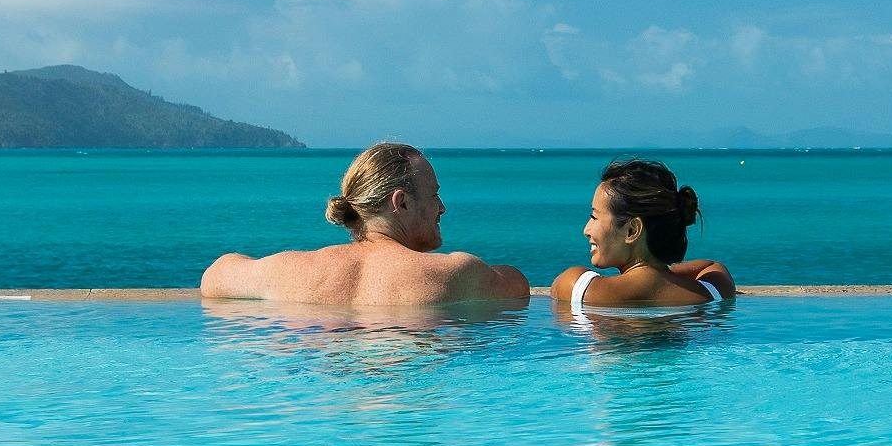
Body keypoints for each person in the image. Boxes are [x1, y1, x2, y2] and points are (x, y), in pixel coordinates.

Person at [199, 141, 530, 306]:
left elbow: (214, 276)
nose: (442, 208)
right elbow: (518, 286)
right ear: (401, 202)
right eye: (434, 195)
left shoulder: (290, 271)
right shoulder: (454, 274)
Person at [549, 158, 734, 315]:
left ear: (632, 230)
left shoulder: (578, 288)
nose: (586, 230)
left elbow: (556, 289)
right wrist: (659, 273)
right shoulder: (714, 291)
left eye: (594, 217)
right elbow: (711, 266)